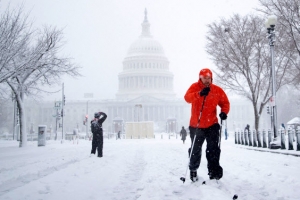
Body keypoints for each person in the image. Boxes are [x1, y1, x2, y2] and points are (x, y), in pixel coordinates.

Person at [184, 68, 230, 182]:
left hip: (212, 124)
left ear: (211, 78)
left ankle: (214, 173)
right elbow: (187, 98)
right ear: (200, 78)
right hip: (197, 125)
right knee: (195, 149)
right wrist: (199, 94)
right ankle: (193, 170)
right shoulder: (194, 87)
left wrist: (224, 112)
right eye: (205, 78)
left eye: (209, 78)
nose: (207, 80)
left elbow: (225, 102)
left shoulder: (216, 90)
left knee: (213, 149)